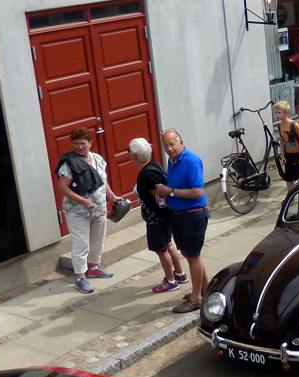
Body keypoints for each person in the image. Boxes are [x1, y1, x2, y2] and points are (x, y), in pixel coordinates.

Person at [56, 127, 124, 294]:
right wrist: (81, 200)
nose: (80, 147)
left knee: (97, 240)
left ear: (90, 143)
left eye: (83, 143)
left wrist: (112, 196)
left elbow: (103, 181)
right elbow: (62, 187)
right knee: (81, 243)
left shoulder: (98, 159)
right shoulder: (69, 164)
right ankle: (80, 277)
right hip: (77, 211)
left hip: (99, 208)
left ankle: (93, 267)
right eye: (76, 143)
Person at [154, 129, 209, 313]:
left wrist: (169, 192)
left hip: (193, 216)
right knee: (190, 254)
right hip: (180, 215)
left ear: (181, 142)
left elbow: (197, 192)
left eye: (172, 144)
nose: (169, 149)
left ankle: (195, 299)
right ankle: (206, 289)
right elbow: (176, 188)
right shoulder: (173, 161)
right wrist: (165, 198)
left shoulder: (191, 160)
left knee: (193, 255)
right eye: (166, 145)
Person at [128, 137, 188, 294]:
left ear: (134, 156)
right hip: (165, 216)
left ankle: (171, 281)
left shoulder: (146, 175)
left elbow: (160, 196)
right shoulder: (154, 165)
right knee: (168, 244)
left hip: (157, 218)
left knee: (161, 250)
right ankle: (180, 274)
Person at [274, 100, 299, 192]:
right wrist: (283, 155)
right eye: (275, 112)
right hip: (288, 154)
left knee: (298, 177)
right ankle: (290, 196)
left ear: (286, 113)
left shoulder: (294, 125)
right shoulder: (280, 126)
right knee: (288, 177)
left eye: (279, 112)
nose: (277, 114)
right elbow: (282, 141)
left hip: (297, 154)